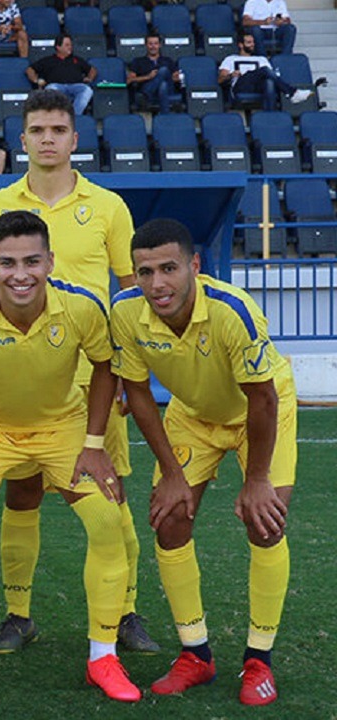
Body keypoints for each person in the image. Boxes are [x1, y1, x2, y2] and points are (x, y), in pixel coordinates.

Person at [0, 88, 156, 658]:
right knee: (21, 496)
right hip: (17, 383)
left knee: (110, 496)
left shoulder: (108, 206)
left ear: (74, 138)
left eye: (57, 130)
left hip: (92, 380)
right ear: (22, 140)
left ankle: (124, 612)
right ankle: (19, 616)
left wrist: (129, 371)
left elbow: (130, 291)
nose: (47, 140)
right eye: (37, 130)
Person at [0, 210, 140, 704]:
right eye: (7, 263)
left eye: (31, 261)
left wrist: (94, 444)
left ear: (50, 261)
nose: (19, 274)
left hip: (62, 428)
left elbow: (105, 366)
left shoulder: (83, 306)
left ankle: (103, 656)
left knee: (107, 520)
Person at [112, 218, 296, 707]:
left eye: (169, 268)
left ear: (194, 265)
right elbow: (137, 393)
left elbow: (263, 400)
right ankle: (196, 654)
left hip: (259, 410)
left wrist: (257, 479)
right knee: (170, 518)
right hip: (193, 416)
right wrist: (172, 475)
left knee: (265, 522)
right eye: (145, 272)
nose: (157, 283)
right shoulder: (125, 312)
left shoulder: (233, 311)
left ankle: (259, 660)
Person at [220, 32, 313, 111]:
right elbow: (220, 80)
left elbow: (271, 75)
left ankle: (270, 114)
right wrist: (231, 75)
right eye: (249, 42)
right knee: (264, 70)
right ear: (241, 45)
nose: (252, 44)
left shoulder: (261, 59)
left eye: (253, 42)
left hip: (258, 86)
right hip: (241, 85)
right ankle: (292, 93)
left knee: (269, 82)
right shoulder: (230, 59)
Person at [26, 34, 97, 115]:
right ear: (58, 47)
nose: (70, 47)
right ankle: (59, 116)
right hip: (56, 86)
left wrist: (89, 78)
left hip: (75, 86)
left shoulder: (76, 59)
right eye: (67, 45)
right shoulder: (48, 60)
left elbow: (92, 70)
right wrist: (36, 80)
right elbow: (30, 70)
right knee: (50, 89)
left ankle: (73, 115)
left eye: (70, 45)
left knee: (87, 90)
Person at [126, 33, 182, 114]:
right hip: (147, 86)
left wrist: (173, 77)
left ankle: (146, 95)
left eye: (155, 44)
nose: (153, 46)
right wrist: (148, 77)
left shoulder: (168, 60)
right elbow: (130, 80)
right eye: (150, 44)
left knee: (164, 71)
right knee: (162, 85)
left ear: (160, 45)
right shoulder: (138, 61)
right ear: (146, 45)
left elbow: (176, 77)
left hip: (169, 90)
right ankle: (165, 116)